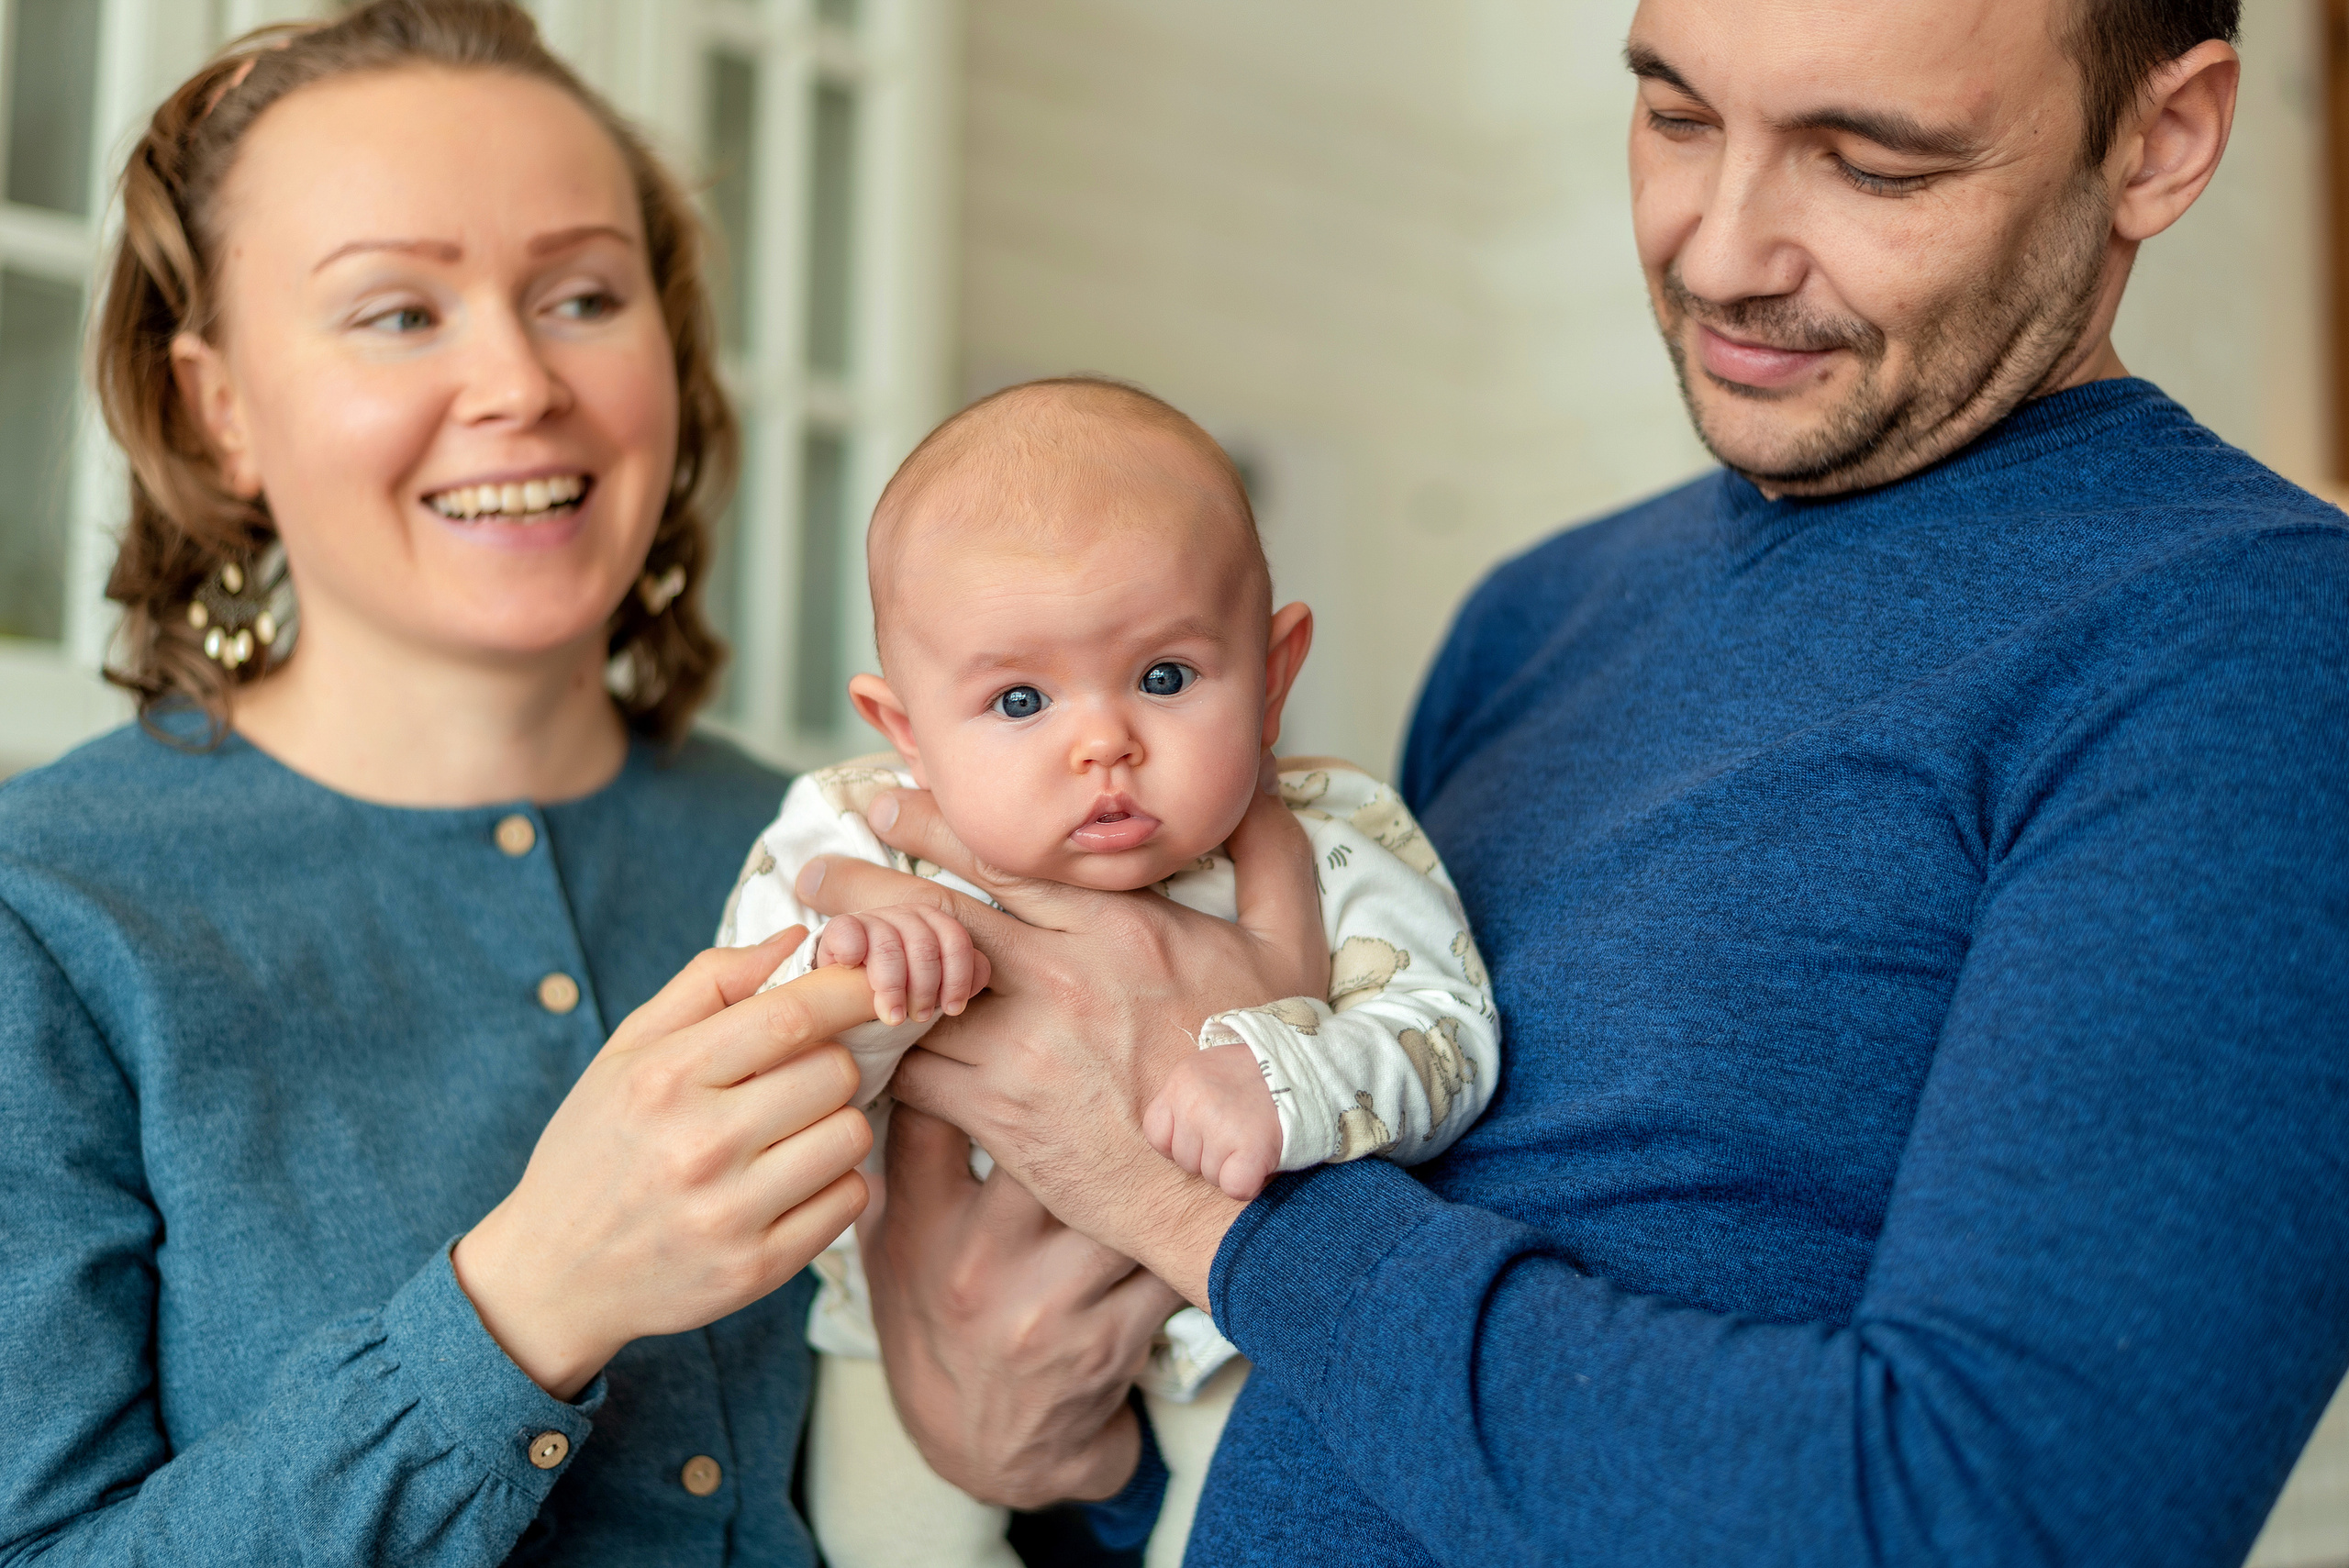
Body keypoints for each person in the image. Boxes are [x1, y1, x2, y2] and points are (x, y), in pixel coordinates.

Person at [789, 0, 2349, 1563]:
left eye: (1868, 164)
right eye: (1674, 116)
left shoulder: (2260, 649)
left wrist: (1193, 1203)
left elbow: (1999, 1518)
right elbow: (1346, 1401)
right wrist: (1027, 1426)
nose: (1721, 250)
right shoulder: (1536, 618)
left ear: (2162, 140)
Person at [0, 4, 875, 1562]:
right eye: (399, 312)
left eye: (585, 294)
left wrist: (1047, 1422)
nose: (520, 381)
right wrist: (531, 1301)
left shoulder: (851, 849)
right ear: (221, 407)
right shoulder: (46, 913)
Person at [718, 376, 1500, 1566]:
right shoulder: (854, 837)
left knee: (1272, 1518)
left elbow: (1451, 1034)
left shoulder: (1341, 833)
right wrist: (858, 969)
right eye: (1019, 699)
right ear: (907, 730)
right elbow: (747, 1068)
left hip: (1230, 1321)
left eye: (1167, 676)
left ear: (1275, 669)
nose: (1103, 743)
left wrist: (1284, 1075)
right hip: (903, 1323)